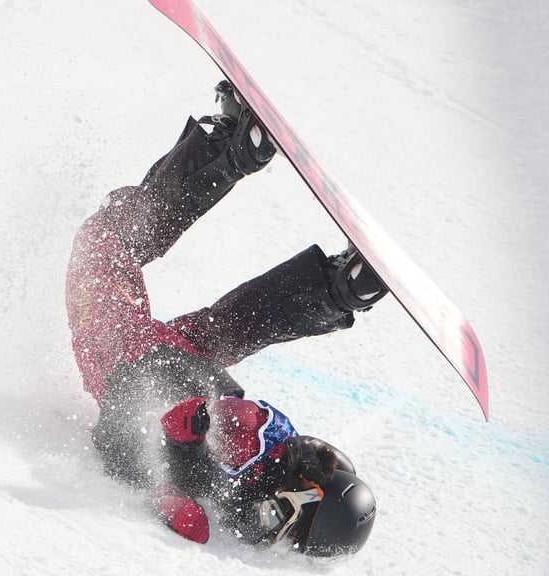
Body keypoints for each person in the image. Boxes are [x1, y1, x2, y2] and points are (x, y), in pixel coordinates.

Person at [65, 81, 382, 556]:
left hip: (141, 358)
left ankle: (339, 284)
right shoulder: (260, 451)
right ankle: (334, 283)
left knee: (125, 258)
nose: (266, 531)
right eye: (281, 522)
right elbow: (141, 434)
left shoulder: (258, 467)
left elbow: (132, 440)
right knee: (116, 250)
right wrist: (180, 458)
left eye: (278, 532)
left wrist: (175, 471)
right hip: (148, 356)